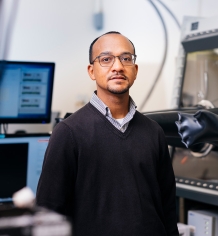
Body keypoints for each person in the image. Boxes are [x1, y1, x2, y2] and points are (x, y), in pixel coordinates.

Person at [36, 31, 179, 236]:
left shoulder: (153, 132)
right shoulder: (68, 133)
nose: (118, 66)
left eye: (126, 58)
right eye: (106, 59)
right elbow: (48, 213)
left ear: (135, 70)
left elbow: (168, 208)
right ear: (91, 71)